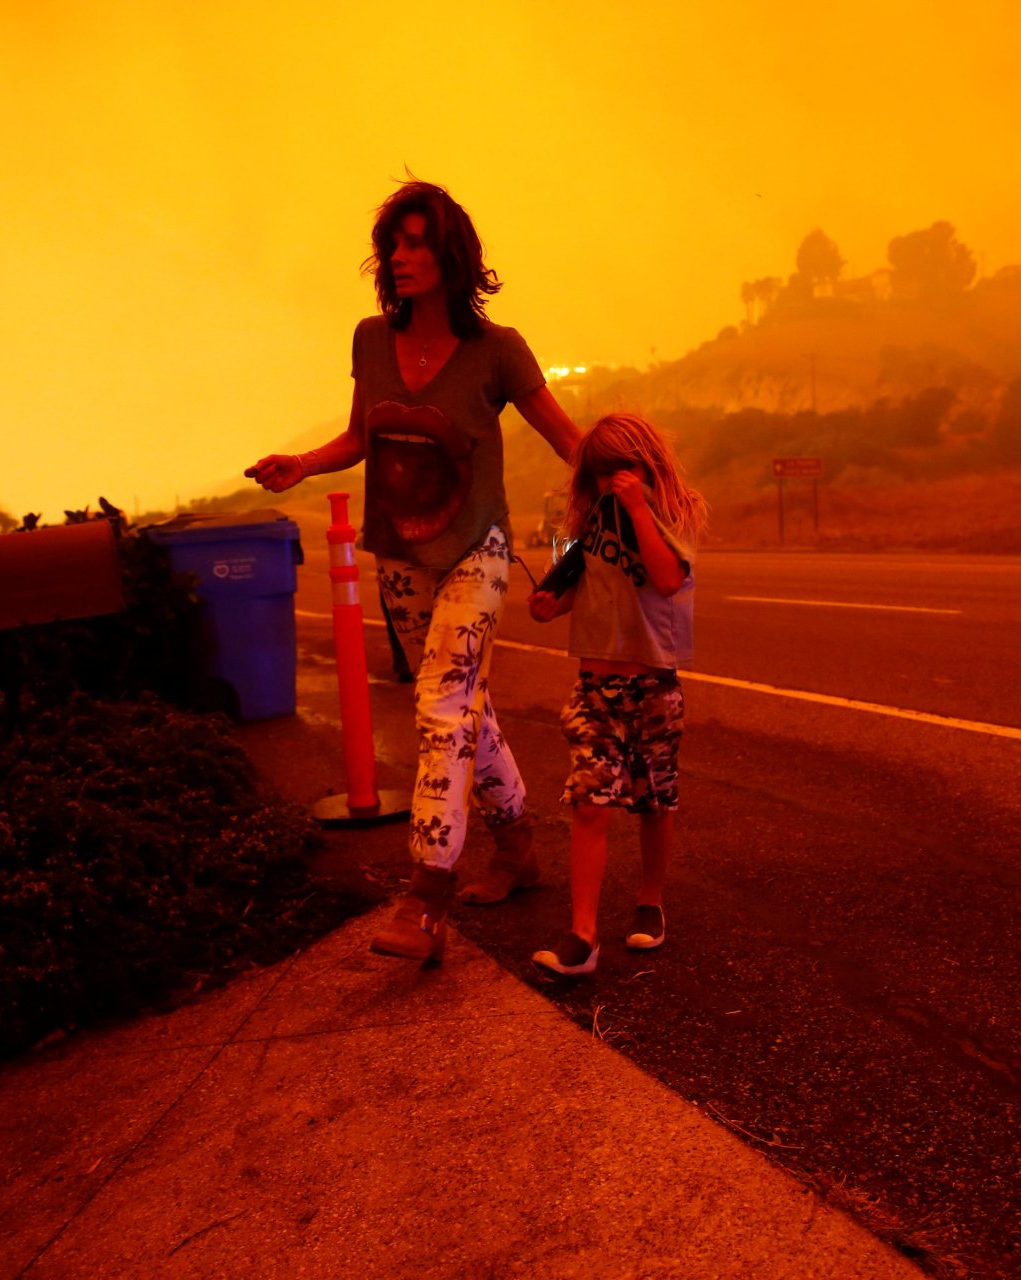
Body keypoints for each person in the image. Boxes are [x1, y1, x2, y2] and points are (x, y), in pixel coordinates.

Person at [246, 179, 581, 963]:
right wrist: (302, 463)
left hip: (478, 551)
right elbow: (362, 435)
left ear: (451, 256)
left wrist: (622, 496)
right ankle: (520, 850)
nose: (399, 257)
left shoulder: (499, 352)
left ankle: (426, 896)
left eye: (417, 242)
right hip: (400, 557)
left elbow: (571, 442)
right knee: (465, 709)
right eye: (393, 243)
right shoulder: (371, 339)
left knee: (441, 704)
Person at [525, 413, 707, 976]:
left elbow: (667, 578)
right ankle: (582, 936)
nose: (612, 481)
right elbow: (580, 584)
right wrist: (552, 603)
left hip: (653, 683)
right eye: (601, 472)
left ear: (648, 465)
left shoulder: (672, 515)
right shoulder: (587, 527)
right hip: (595, 687)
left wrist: (636, 508)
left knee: (655, 801)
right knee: (589, 802)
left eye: (623, 468)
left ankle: (650, 901)